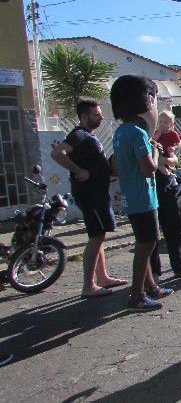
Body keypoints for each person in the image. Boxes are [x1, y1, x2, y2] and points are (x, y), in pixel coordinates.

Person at [51, 99, 127, 298]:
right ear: (84, 117)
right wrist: (78, 170)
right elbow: (58, 153)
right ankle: (88, 286)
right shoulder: (78, 134)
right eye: (96, 114)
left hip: (98, 193)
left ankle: (101, 278)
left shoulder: (88, 136)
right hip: (90, 195)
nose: (101, 117)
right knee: (96, 236)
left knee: (98, 234)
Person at [110, 75, 173, 312]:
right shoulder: (138, 133)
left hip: (131, 196)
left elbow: (115, 166)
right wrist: (156, 151)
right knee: (147, 244)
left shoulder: (120, 132)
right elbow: (148, 169)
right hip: (143, 198)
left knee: (145, 243)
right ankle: (136, 295)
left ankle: (151, 286)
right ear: (147, 100)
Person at [150, 110, 181, 279]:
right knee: (152, 233)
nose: (161, 125)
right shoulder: (149, 136)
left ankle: (178, 266)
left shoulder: (169, 135)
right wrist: (165, 160)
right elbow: (152, 161)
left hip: (166, 185)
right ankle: (154, 273)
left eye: (164, 122)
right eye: (160, 121)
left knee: (174, 228)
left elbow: (174, 158)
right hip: (151, 188)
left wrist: (167, 159)